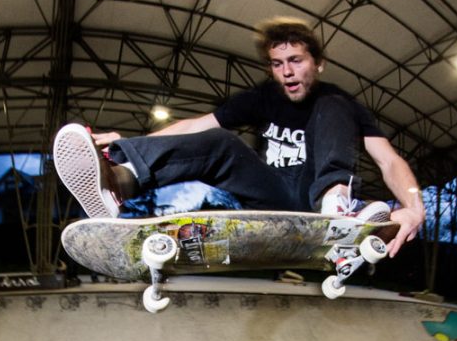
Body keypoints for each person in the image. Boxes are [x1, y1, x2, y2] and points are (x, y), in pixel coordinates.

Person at [53, 17, 425, 257]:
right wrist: (130, 147)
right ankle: (117, 181)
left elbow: (389, 160)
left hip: (318, 196)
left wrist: (414, 206)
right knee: (221, 142)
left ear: (318, 63)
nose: (287, 73)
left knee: (334, 104)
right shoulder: (264, 97)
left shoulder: (342, 104)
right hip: (274, 195)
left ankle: (337, 207)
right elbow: (197, 126)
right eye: (278, 65)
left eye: (296, 61)